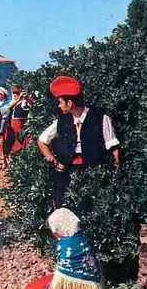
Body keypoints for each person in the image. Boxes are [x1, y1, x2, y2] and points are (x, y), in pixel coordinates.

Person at [37, 76, 120, 208]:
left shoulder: (101, 119)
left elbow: (113, 149)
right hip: (66, 171)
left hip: (92, 172)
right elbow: (42, 141)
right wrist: (54, 161)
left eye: (60, 102)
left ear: (70, 103)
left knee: (91, 208)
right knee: (62, 206)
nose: (59, 106)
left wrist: (114, 175)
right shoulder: (61, 121)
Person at [23, 208, 103, 289]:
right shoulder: (83, 239)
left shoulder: (63, 244)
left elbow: (61, 273)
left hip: (68, 284)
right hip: (91, 283)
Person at [3, 87, 34, 160]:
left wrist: (26, 98)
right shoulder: (13, 102)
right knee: (8, 143)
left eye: (17, 94)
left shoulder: (23, 102)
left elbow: (30, 103)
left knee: (18, 144)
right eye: (14, 94)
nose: (15, 95)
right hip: (11, 127)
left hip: (18, 128)